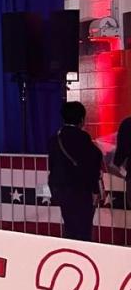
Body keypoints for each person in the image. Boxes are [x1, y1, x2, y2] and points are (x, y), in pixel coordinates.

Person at [48, 101, 103, 242]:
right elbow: (92, 164)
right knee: (83, 230)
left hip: (60, 189)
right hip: (80, 190)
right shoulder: (83, 138)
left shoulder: (55, 139)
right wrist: (96, 190)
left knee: (69, 226)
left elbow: (52, 165)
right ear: (81, 119)